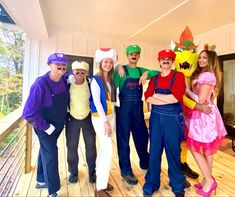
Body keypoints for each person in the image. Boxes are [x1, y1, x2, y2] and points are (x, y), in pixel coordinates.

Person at [22, 52, 69, 197]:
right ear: (49, 65)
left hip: (58, 126)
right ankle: (52, 190)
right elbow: (28, 113)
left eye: (64, 65)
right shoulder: (40, 83)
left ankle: (41, 180)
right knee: (51, 155)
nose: (61, 68)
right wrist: (45, 127)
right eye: (57, 65)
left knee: (46, 151)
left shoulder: (64, 79)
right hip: (44, 127)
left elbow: (75, 75)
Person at [113, 45, 159, 185]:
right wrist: (117, 65)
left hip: (138, 108)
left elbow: (158, 73)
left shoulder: (141, 70)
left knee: (142, 137)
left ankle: (145, 162)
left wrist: (146, 74)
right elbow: (112, 87)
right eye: (131, 54)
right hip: (124, 110)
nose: (134, 56)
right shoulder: (121, 71)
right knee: (123, 141)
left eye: (136, 54)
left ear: (139, 56)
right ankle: (126, 170)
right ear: (127, 56)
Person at [143, 49, 186, 197]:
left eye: (168, 58)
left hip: (172, 120)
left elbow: (176, 98)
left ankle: (177, 184)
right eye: (163, 59)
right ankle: (152, 183)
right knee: (154, 151)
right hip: (156, 120)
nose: (165, 61)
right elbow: (147, 97)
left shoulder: (178, 76)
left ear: (172, 61)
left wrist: (156, 96)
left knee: (173, 152)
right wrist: (165, 97)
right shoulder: (154, 78)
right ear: (159, 61)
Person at [185, 49, 227, 196]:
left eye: (204, 58)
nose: (201, 60)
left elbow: (201, 100)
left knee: (194, 148)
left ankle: (209, 180)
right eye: (200, 57)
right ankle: (207, 179)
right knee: (207, 150)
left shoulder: (207, 76)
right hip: (203, 114)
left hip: (203, 115)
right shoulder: (203, 74)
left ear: (211, 61)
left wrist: (186, 89)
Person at [90, 48, 117, 197]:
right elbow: (97, 102)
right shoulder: (96, 79)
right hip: (100, 118)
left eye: (110, 62)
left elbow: (111, 101)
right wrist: (105, 121)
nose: (108, 64)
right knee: (108, 150)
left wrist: (111, 119)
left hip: (110, 116)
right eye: (105, 62)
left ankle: (102, 180)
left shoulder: (110, 80)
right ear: (100, 63)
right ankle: (100, 188)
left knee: (103, 150)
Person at [65, 61, 97, 184]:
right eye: (76, 71)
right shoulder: (67, 84)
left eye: (82, 71)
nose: (79, 73)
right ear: (72, 72)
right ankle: (73, 172)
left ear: (86, 72)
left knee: (91, 147)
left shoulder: (90, 83)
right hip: (72, 118)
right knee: (72, 147)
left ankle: (92, 172)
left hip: (88, 118)